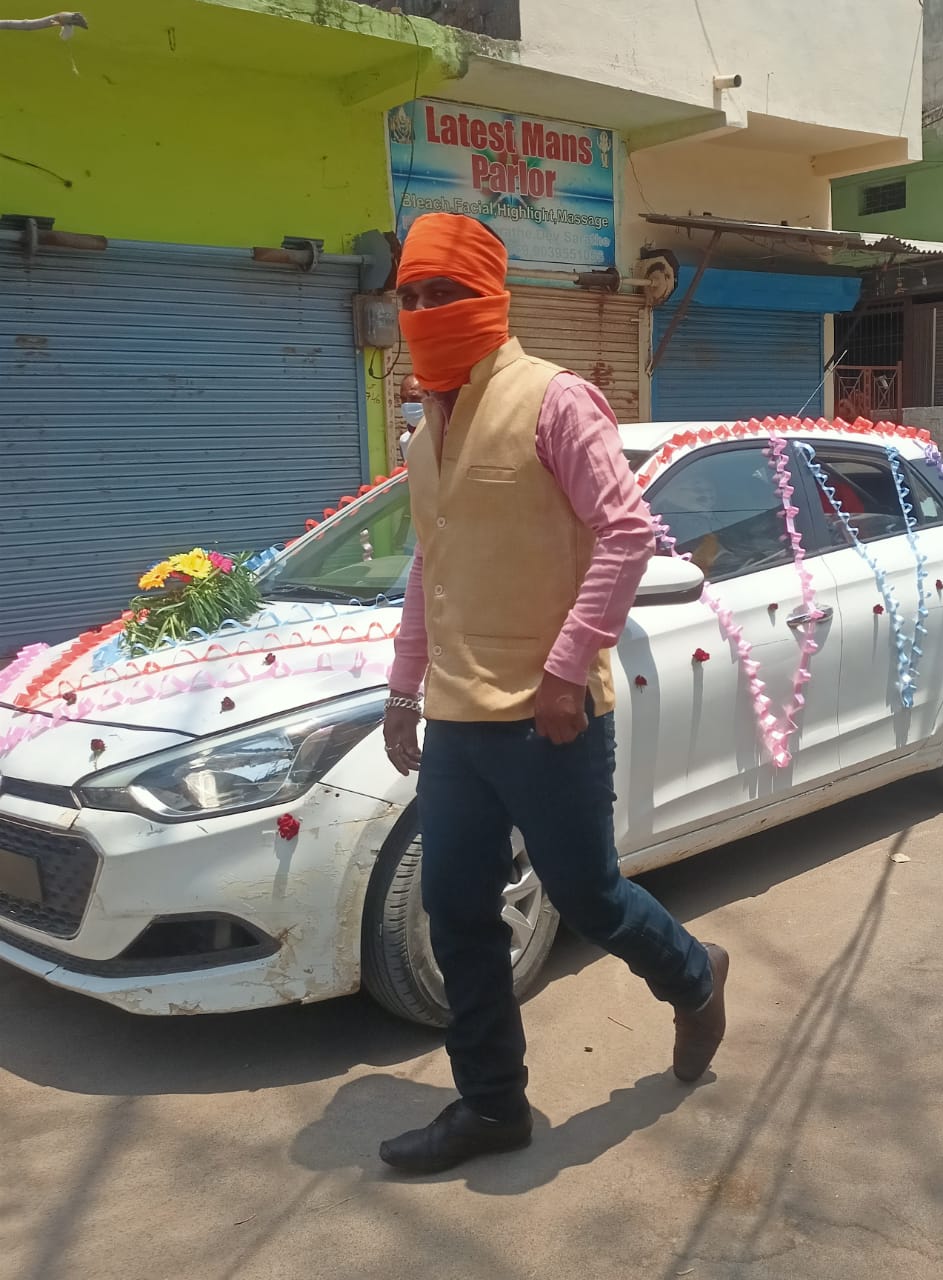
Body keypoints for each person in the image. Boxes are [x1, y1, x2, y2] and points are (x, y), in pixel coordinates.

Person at [378, 212, 730, 1176]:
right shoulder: (424, 435)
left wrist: (569, 668)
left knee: (589, 896)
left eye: (440, 292)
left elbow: (626, 533)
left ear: (488, 296)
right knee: (456, 910)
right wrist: (404, 689)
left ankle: (697, 978)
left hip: (549, 718)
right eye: (407, 295)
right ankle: (493, 1105)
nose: (420, 311)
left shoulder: (555, 402)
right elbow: (428, 569)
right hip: (456, 719)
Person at [398, 371, 425, 464]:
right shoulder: (404, 440)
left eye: (414, 398)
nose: (407, 405)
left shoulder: (444, 437)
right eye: (403, 399)